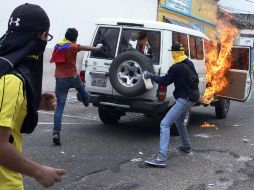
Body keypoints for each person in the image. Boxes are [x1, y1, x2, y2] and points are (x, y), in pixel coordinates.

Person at [0, 3, 65, 189]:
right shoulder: (12, 80)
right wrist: (39, 172)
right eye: (46, 36)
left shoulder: (3, 67)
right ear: (42, 36)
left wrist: (33, 104)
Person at [143, 43, 200, 167]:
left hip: (183, 99)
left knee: (164, 124)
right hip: (192, 99)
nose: (171, 54)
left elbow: (164, 82)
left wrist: (150, 75)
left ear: (174, 53)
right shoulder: (189, 63)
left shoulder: (176, 67)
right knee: (179, 122)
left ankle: (162, 158)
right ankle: (186, 146)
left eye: (172, 52)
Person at [50, 28, 101, 145]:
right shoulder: (72, 47)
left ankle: (56, 132)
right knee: (82, 89)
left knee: (60, 107)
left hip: (60, 80)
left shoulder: (58, 46)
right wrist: (97, 48)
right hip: (73, 78)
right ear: (75, 38)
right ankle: (86, 100)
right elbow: (84, 47)